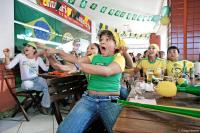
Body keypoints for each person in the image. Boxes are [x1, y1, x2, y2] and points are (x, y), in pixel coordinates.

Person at [42, 30, 125, 133]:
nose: (102, 42)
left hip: (110, 100)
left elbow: (107, 71)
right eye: (101, 40)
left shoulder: (119, 58)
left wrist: (78, 66)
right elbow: (74, 61)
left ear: (116, 44)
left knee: (119, 130)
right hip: (89, 99)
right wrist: (56, 53)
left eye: (107, 40)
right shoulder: (94, 57)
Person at [3, 42, 50, 114]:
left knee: (47, 84)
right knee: (32, 85)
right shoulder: (20, 56)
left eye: (29, 46)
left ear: (34, 50)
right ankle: (42, 94)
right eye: (25, 46)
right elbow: (8, 67)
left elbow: (46, 69)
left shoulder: (38, 58)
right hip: (26, 82)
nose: (26, 47)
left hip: (37, 79)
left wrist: (47, 58)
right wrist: (7, 56)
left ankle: (44, 105)